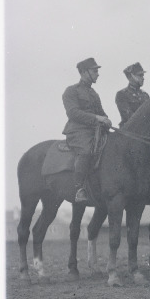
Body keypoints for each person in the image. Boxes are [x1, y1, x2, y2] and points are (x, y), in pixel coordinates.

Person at [62, 57, 112, 203]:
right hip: (77, 131)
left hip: (95, 131)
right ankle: (79, 189)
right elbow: (73, 113)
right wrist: (97, 118)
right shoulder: (71, 91)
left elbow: (101, 113)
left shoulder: (94, 93)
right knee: (85, 150)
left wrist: (106, 119)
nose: (98, 74)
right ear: (84, 72)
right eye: (95, 71)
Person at [115, 62, 150, 128]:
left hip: (146, 130)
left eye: (143, 75)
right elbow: (129, 117)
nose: (143, 78)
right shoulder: (122, 94)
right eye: (140, 75)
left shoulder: (145, 95)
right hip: (129, 132)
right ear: (130, 76)